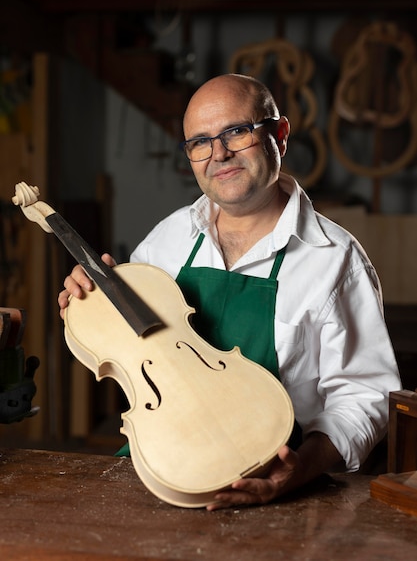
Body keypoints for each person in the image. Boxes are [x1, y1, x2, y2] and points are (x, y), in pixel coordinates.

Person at [58, 73, 402, 511]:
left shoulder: (335, 259)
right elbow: (130, 354)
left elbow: (364, 395)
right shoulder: (170, 238)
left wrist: (298, 470)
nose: (218, 153)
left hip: (277, 487)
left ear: (279, 134)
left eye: (236, 132)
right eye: (199, 142)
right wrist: (90, 302)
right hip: (160, 466)